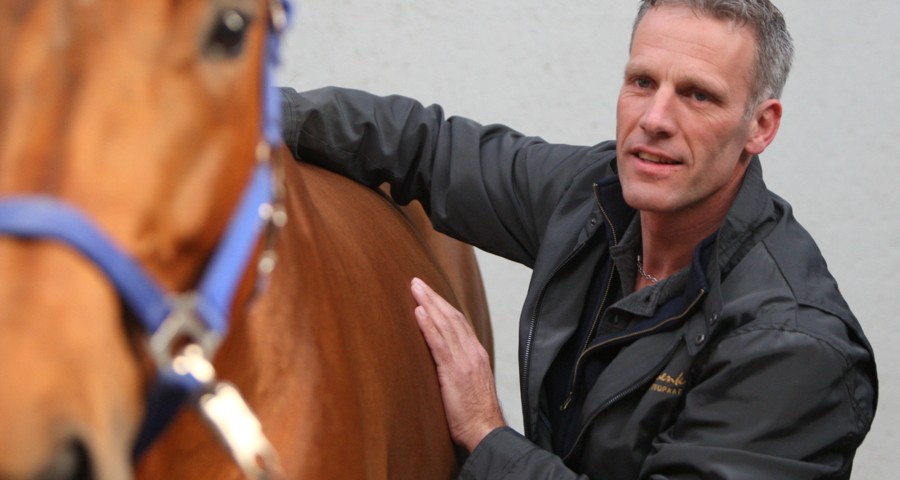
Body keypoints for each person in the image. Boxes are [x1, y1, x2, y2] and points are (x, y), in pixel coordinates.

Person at [280, 0, 878, 478]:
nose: (655, 119)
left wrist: (487, 434)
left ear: (761, 126)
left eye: (698, 95)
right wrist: (246, 115)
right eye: (642, 81)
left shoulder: (792, 347)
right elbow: (425, 146)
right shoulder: (595, 197)